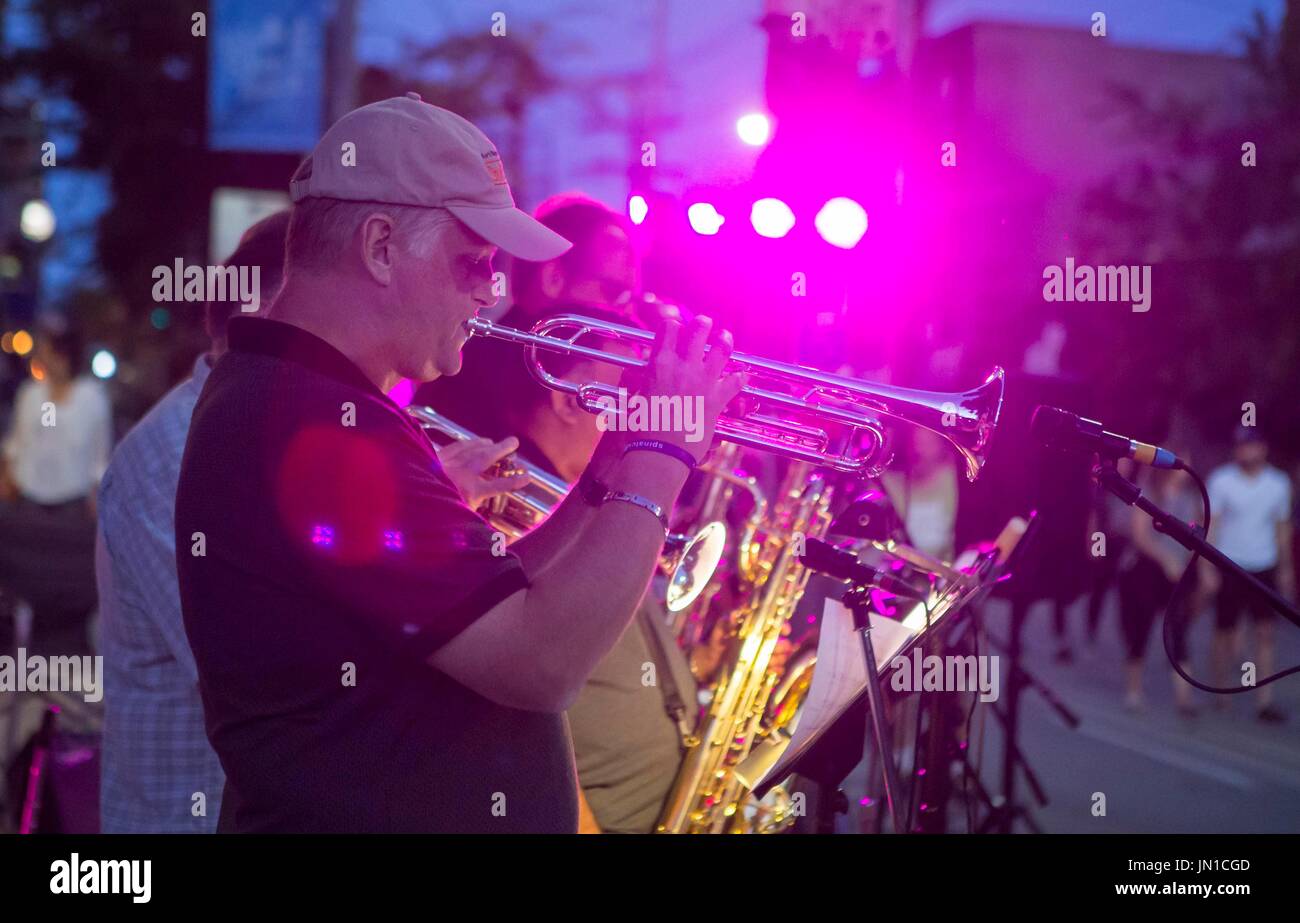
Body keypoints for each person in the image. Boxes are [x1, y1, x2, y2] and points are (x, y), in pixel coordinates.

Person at [174, 94, 740, 833]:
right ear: (380, 247)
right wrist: (665, 455)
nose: (492, 291)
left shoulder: (317, 402)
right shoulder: (312, 424)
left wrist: (616, 457)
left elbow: (494, 604)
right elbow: (541, 661)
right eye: (473, 262)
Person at [0, 326, 111, 652]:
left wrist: (96, 508)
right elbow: (15, 447)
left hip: (72, 514)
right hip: (28, 509)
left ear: (63, 356)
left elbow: (98, 459)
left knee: (71, 594)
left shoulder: (92, 398)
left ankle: (66, 667)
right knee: (25, 587)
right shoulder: (30, 395)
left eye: (47, 350)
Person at [1202, 429, 1294, 722]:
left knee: (1265, 632)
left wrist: (1286, 568)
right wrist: (1207, 566)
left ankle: (1263, 700)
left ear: (1263, 449)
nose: (1245, 452)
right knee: (1225, 631)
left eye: (1251, 446)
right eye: (1241, 447)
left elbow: (1282, 528)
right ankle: (1221, 688)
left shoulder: (1278, 484)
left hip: (1263, 564)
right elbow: (1212, 525)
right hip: (1230, 563)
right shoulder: (1222, 480)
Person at [1116, 459, 1200, 715]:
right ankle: (1133, 690)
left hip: (1176, 573)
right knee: (1141, 628)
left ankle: (1184, 698)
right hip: (1144, 570)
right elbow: (1139, 535)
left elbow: (1198, 537)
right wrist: (1166, 559)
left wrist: (1189, 565)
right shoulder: (1147, 494)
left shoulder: (1190, 498)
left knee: (1179, 628)